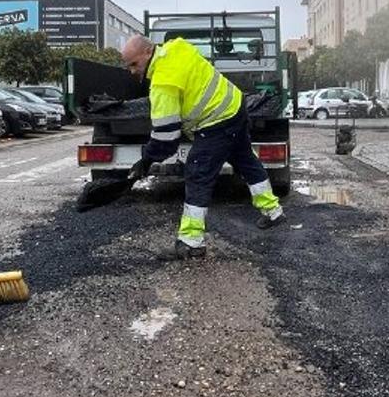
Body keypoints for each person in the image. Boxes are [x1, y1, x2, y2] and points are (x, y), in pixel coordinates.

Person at [120, 35, 286, 260]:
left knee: (198, 174)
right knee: (246, 161)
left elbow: (166, 137)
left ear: (148, 52)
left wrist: (146, 161)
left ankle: (191, 242)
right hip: (236, 107)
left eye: (134, 64)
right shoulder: (177, 46)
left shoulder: (163, 83)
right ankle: (274, 212)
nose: (132, 71)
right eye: (128, 66)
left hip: (216, 122)